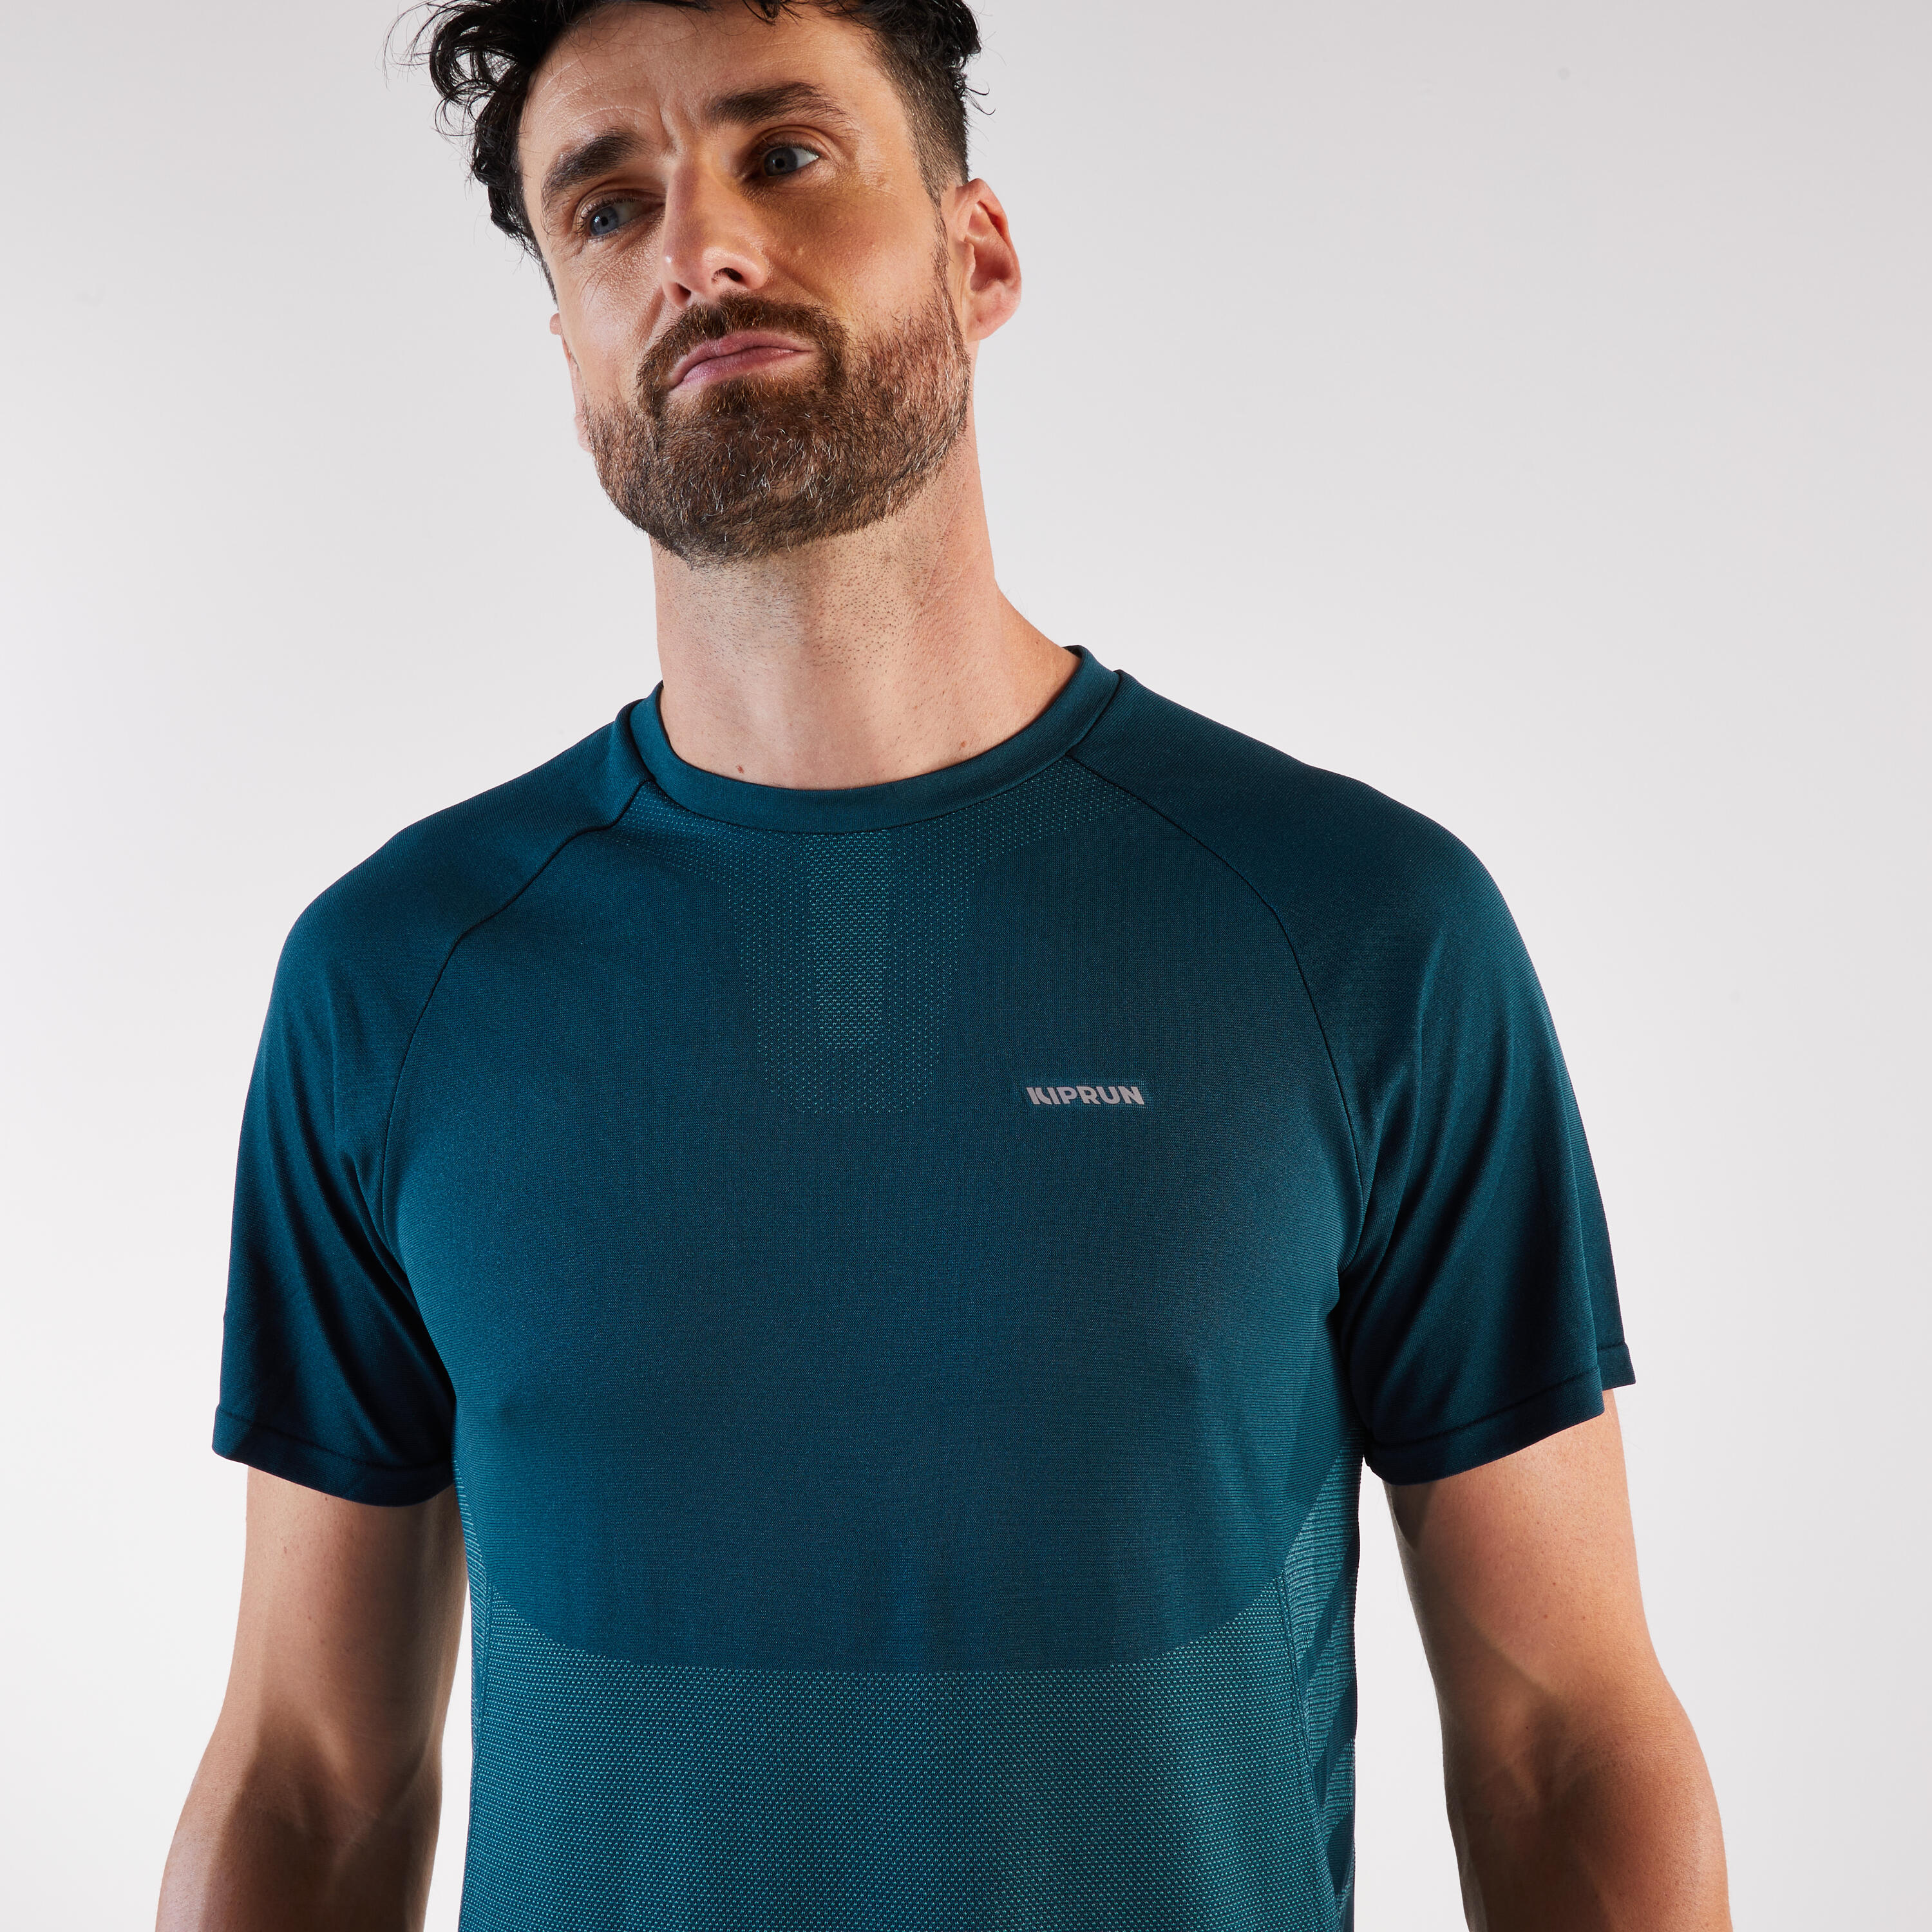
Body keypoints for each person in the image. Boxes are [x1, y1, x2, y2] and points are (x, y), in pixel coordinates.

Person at [158, 3, 1730, 1927]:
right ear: (569, 342)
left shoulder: (1357, 932)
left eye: (785, 156)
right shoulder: (397, 984)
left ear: (977, 255)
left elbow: (1564, 1741)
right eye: (610, 206)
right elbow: (309, 1778)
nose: (700, 246)